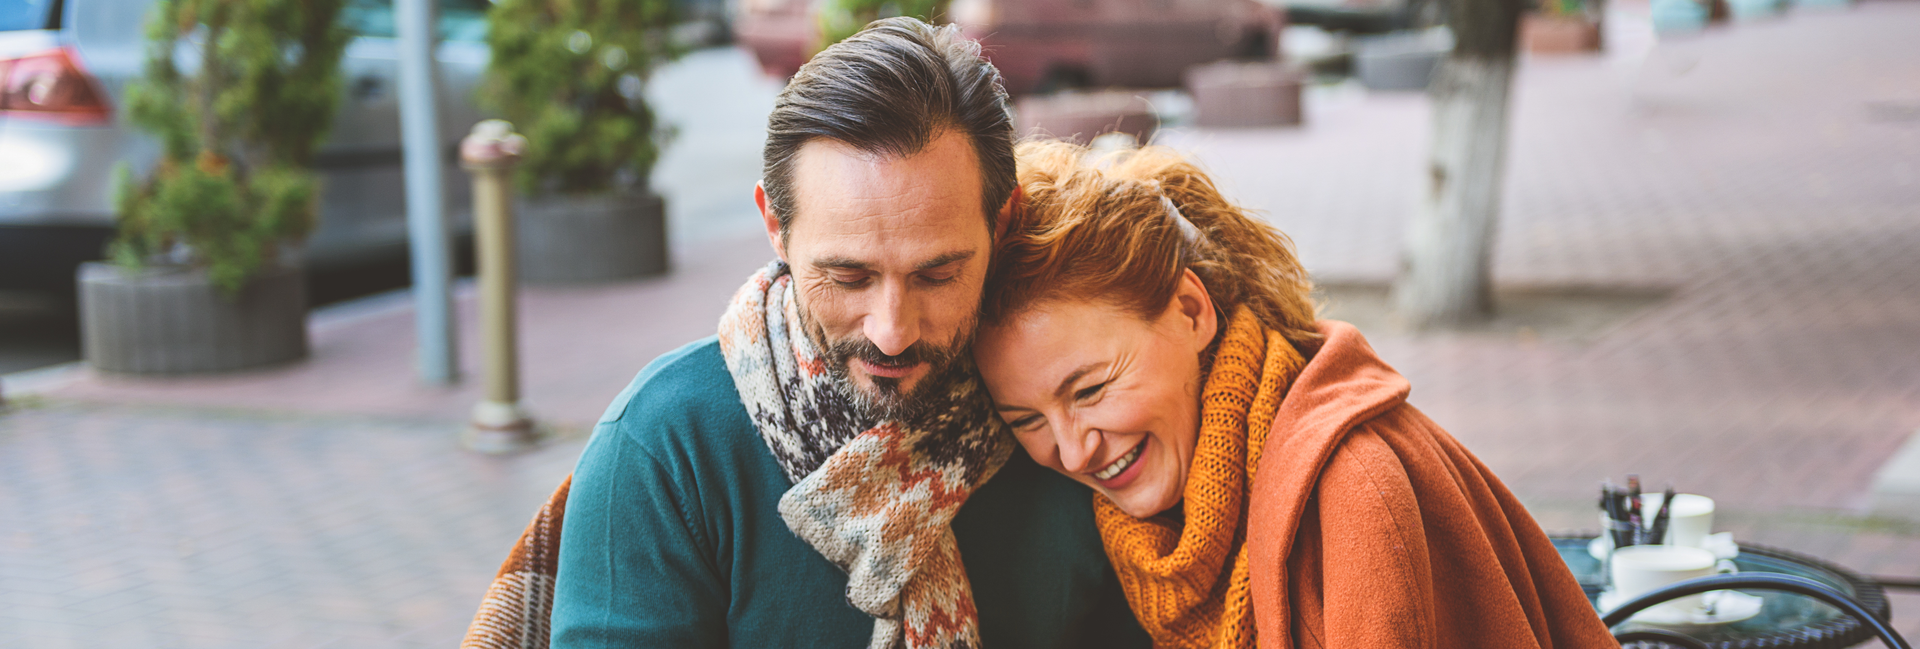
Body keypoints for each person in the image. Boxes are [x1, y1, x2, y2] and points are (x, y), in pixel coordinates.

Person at [542, 18, 1146, 649]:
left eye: (937, 275)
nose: (891, 332)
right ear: (777, 227)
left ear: (1003, 223)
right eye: (848, 278)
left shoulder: (1072, 425)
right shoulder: (665, 448)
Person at [973, 140, 1619, 648]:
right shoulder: (1162, 520)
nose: (1073, 450)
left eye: (1089, 388)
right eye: (1026, 418)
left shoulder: (1354, 495)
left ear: (1192, 310)